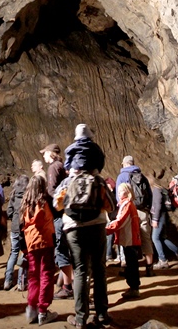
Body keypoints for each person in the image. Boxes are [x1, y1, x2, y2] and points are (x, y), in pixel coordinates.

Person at [58, 123, 112, 328]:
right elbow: (110, 205)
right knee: (99, 269)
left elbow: (57, 204)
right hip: (97, 225)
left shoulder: (67, 182)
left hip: (73, 227)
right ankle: (102, 315)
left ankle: (80, 318)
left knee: (80, 270)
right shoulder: (98, 180)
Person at [20, 175, 59, 325]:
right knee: (46, 275)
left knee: (33, 276)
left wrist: (23, 247)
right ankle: (43, 311)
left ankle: (32, 308)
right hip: (45, 242)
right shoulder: (45, 202)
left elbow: (20, 227)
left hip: (31, 245)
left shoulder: (25, 204)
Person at [39, 143, 73, 300]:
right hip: (66, 213)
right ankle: (67, 283)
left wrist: (43, 195)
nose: (43, 156)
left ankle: (68, 286)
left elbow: (53, 191)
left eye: (45, 153)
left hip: (59, 214)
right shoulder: (63, 166)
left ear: (51, 154)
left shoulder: (53, 167)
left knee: (61, 250)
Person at [116, 155, 155, 277]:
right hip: (143, 211)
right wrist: (147, 209)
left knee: (127, 239)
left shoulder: (122, 176)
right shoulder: (142, 176)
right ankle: (150, 268)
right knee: (146, 238)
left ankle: (128, 268)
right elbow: (149, 194)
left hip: (129, 210)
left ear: (125, 164)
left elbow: (119, 196)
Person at [107, 183, 142, 299]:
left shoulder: (127, 205)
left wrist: (105, 230)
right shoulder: (126, 204)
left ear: (127, 192)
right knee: (131, 263)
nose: (119, 193)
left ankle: (134, 288)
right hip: (129, 238)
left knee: (132, 264)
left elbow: (120, 221)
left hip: (129, 238)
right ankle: (133, 287)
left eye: (121, 191)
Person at [4, 174, 30, 291]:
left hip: (14, 227)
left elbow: (9, 211)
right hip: (24, 228)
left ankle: (7, 281)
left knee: (13, 253)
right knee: (24, 254)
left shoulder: (14, 194)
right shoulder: (28, 196)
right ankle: (21, 282)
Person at [150, 179, 178, 270]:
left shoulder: (156, 190)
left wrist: (155, 219)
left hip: (159, 217)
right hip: (163, 216)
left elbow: (158, 205)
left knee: (155, 238)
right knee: (162, 237)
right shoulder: (160, 189)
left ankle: (163, 260)